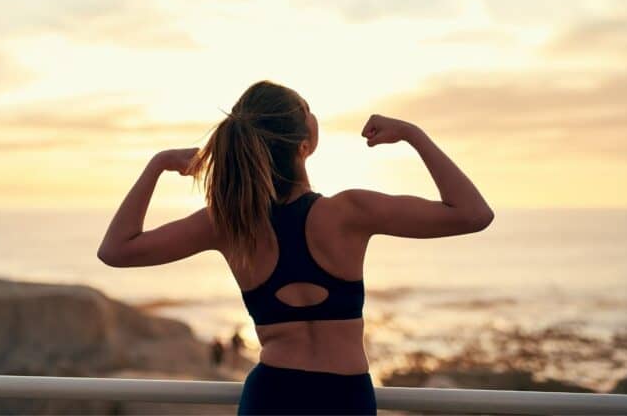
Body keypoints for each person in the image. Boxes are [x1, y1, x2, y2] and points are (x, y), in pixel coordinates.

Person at [97, 80, 494, 414]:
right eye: (308, 110)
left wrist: (158, 164)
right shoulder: (349, 212)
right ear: (304, 143)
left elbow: (116, 249)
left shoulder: (227, 224)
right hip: (344, 398)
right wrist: (412, 134)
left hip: (271, 395)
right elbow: (473, 213)